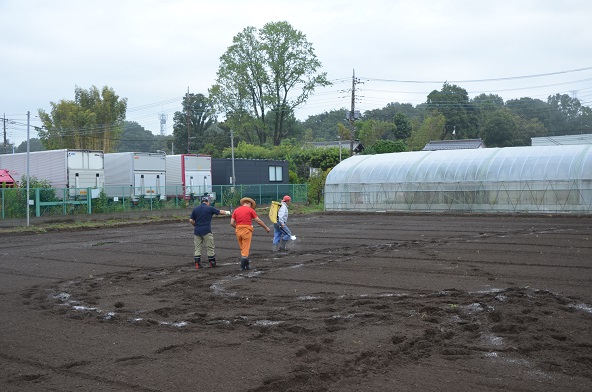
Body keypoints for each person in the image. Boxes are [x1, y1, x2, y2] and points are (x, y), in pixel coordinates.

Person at [189, 196, 231, 269]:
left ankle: (197, 264)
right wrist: (229, 212)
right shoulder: (210, 208)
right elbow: (220, 212)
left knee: (197, 248)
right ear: (208, 202)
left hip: (197, 231)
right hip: (206, 231)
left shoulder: (195, 209)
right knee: (210, 247)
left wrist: (195, 225)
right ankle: (212, 263)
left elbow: (191, 220)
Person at [230, 196, 270, 271]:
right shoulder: (250, 210)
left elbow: (231, 223)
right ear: (249, 204)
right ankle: (242, 267)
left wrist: (238, 227)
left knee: (243, 248)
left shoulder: (236, 210)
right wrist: (266, 228)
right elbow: (259, 221)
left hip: (238, 230)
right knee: (245, 249)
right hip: (247, 230)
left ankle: (247, 265)